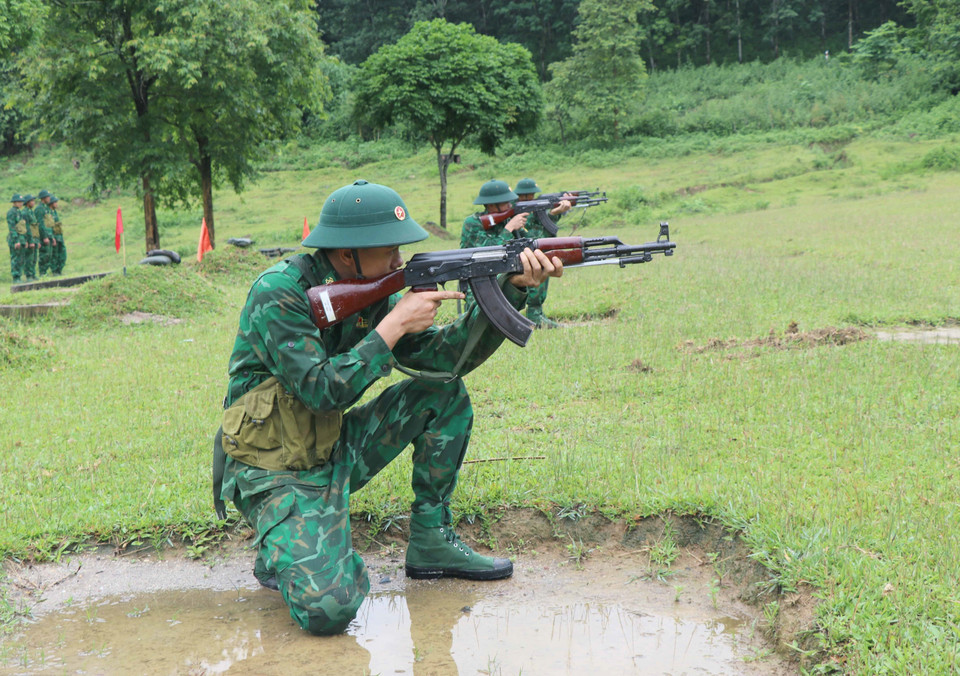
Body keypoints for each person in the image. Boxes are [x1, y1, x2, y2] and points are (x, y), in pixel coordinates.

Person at [216, 179, 562, 636]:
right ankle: (286, 547)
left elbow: (443, 362)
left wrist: (513, 287)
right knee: (329, 610)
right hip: (273, 470)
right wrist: (393, 326)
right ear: (347, 254)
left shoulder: (372, 289)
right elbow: (321, 390)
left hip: (331, 449)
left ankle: (430, 542)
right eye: (389, 250)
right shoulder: (279, 294)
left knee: (442, 395)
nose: (400, 261)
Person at [458, 179, 529, 307]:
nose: (509, 205)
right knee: (478, 317)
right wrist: (509, 228)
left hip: (502, 276)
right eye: (505, 203)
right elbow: (487, 252)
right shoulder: (472, 223)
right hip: (477, 279)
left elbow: (527, 242)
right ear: (490, 205)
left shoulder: (506, 219)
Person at [514, 178, 573, 329]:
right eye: (525, 196)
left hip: (536, 252)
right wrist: (553, 214)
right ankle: (533, 315)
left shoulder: (536, 209)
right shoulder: (515, 212)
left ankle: (537, 313)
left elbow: (544, 232)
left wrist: (554, 214)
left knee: (543, 276)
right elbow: (532, 236)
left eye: (531, 195)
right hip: (525, 253)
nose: (528, 198)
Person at [34, 189, 56, 277]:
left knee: (49, 255)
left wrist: (51, 236)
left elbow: (48, 224)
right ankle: (42, 273)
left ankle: (46, 272)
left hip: (49, 235)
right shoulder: (39, 209)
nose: (49, 198)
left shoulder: (46, 208)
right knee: (44, 255)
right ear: (43, 198)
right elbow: (40, 224)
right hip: (44, 236)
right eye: (48, 196)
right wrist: (44, 237)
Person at [6, 194, 27, 283]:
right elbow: (12, 227)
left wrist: (24, 240)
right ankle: (16, 277)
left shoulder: (19, 212)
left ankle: (19, 276)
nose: (21, 204)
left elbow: (22, 228)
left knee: (21, 258)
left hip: (21, 238)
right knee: (15, 258)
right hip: (15, 239)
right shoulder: (11, 212)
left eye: (22, 202)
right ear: (14, 202)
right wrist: (16, 241)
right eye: (19, 202)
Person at [20, 194, 38, 281]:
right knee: (29, 258)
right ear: (27, 203)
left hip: (34, 237)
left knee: (34, 258)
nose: (34, 202)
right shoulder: (25, 213)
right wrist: (29, 240)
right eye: (32, 201)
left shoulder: (31, 212)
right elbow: (26, 228)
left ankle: (33, 273)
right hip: (29, 238)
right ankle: (28, 275)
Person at [49, 195, 66, 275]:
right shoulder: (49, 213)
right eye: (55, 202)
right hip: (54, 237)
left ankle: (59, 270)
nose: (56, 204)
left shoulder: (55, 212)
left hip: (59, 236)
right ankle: (55, 271)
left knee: (62, 254)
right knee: (54, 255)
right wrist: (52, 238)